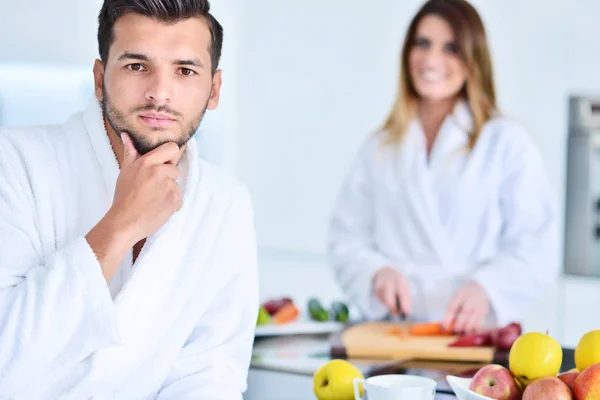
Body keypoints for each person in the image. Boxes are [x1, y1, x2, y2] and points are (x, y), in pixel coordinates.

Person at [0, 0, 258, 398]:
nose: (160, 93)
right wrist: (121, 224)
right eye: (137, 66)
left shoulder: (225, 203)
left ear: (214, 90)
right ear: (100, 78)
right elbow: (7, 366)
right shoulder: (13, 165)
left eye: (185, 71)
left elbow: (210, 372)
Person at [327, 0, 559, 334]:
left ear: (472, 60)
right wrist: (376, 271)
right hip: (395, 337)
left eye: (450, 48)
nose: (431, 60)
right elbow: (344, 237)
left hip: (477, 337)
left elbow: (538, 244)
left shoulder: (506, 142)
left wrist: (487, 289)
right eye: (422, 43)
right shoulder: (379, 146)